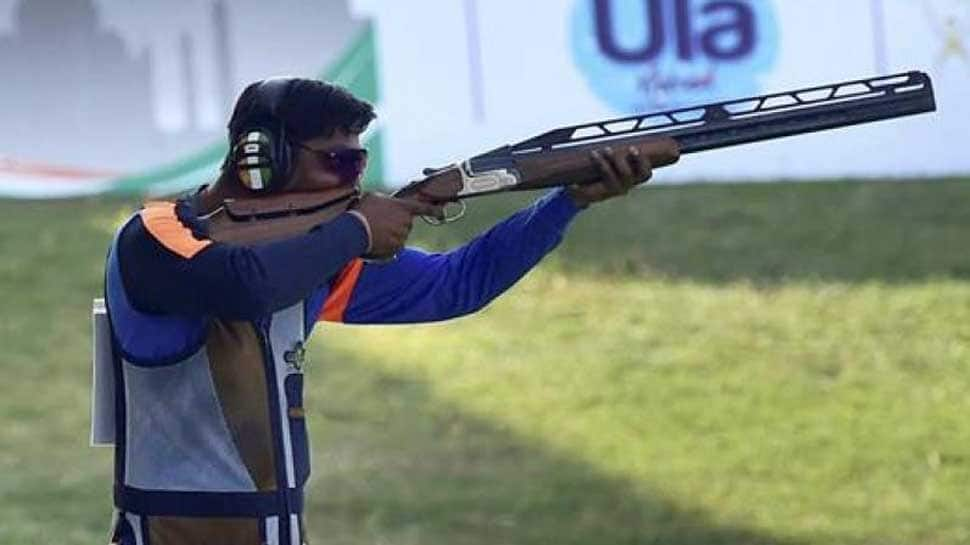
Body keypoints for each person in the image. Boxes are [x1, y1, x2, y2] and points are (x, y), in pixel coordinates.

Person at [102, 77, 661, 545]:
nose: (355, 179)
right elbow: (244, 288)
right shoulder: (153, 236)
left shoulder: (307, 259)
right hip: (168, 530)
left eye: (359, 161)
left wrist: (567, 202)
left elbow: (456, 286)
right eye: (339, 162)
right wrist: (358, 228)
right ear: (261, 156)